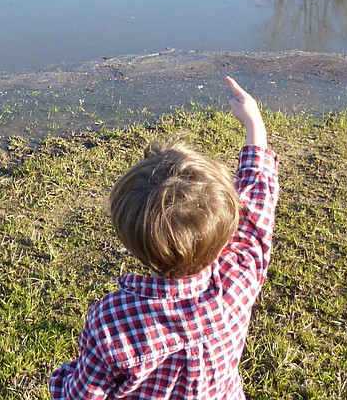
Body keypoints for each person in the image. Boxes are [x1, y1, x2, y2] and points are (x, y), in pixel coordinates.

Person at [49, 76, 279, 399]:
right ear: (227, 225)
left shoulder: (113, 322)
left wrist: (60, 380)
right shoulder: (238, 280)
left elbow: (80, 395)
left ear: (135, 241)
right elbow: (257, 215)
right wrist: (255, 128)